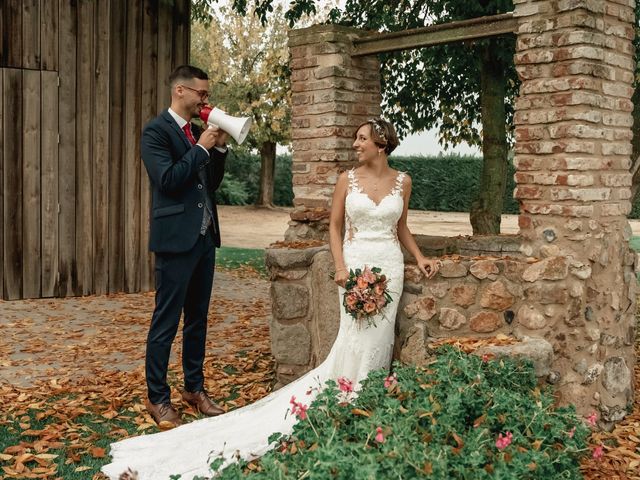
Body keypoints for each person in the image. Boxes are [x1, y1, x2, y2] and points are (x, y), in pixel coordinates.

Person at [101, 118, 440, 479]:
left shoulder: (404, 182)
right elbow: (336, 227)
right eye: (356, 139)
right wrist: (340, 266)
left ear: (381, 143)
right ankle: (347, 397)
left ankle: (368, 400)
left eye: (362, 139)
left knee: (380, 336)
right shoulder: (347, 180)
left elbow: (401, 226)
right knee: (354, 336)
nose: (356, 145)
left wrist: (419, 258)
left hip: (390, 266)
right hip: (354, 266)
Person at [141, 65, 229, 428]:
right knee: (166, 321)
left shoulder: (197, 133)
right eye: (201, 94)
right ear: (180, 91)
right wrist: (202, 148)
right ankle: (157, 397)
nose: (205, 100)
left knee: (197, 320)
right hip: (175, 240)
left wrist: (219, 150)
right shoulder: (155, 132)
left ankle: (194, 388)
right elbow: (169, 180)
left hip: (204, 239)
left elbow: (210, 185)